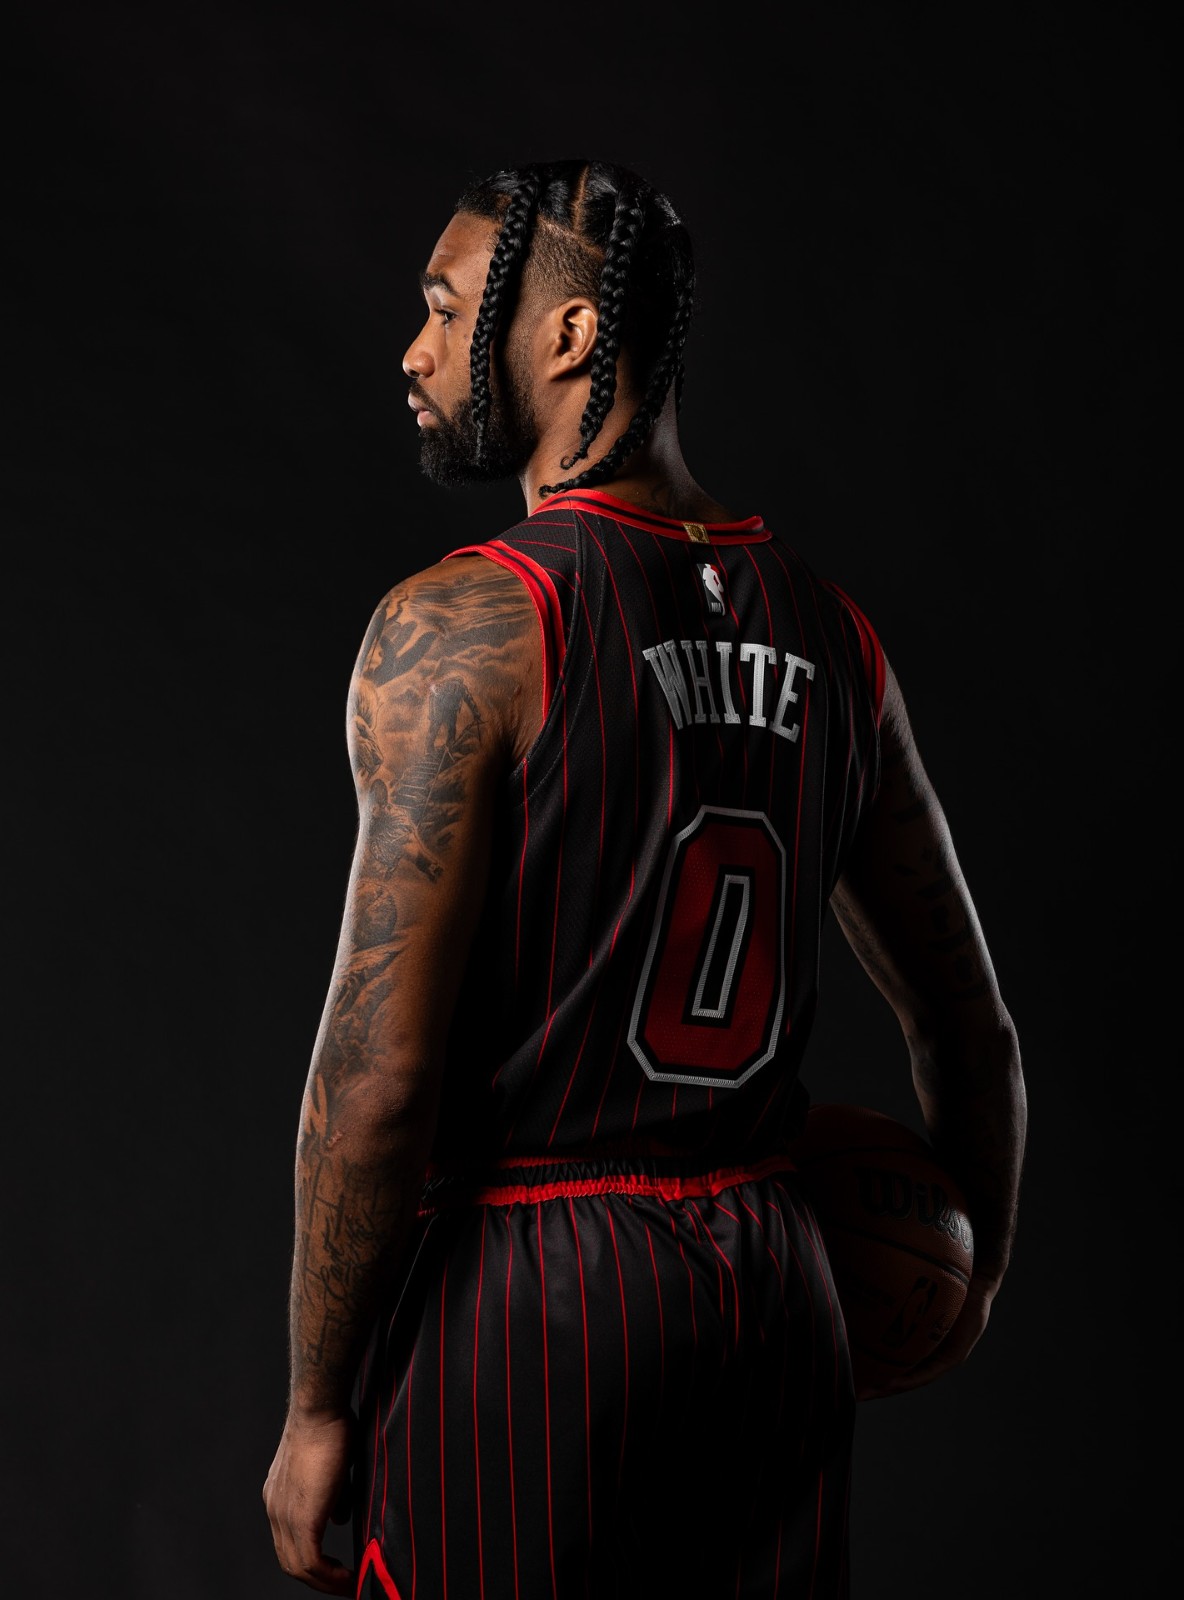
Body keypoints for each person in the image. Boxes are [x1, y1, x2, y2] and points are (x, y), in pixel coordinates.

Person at [262, 158, 1026, 1600]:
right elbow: (970, 1026)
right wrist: (964, 1279)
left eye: (445, 309)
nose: (414, 351)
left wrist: (316, 1406)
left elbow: (378, 1076)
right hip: (775, 1283)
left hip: (532, 1287)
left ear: (564, 334)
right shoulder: (833, 635)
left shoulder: (470, 623)